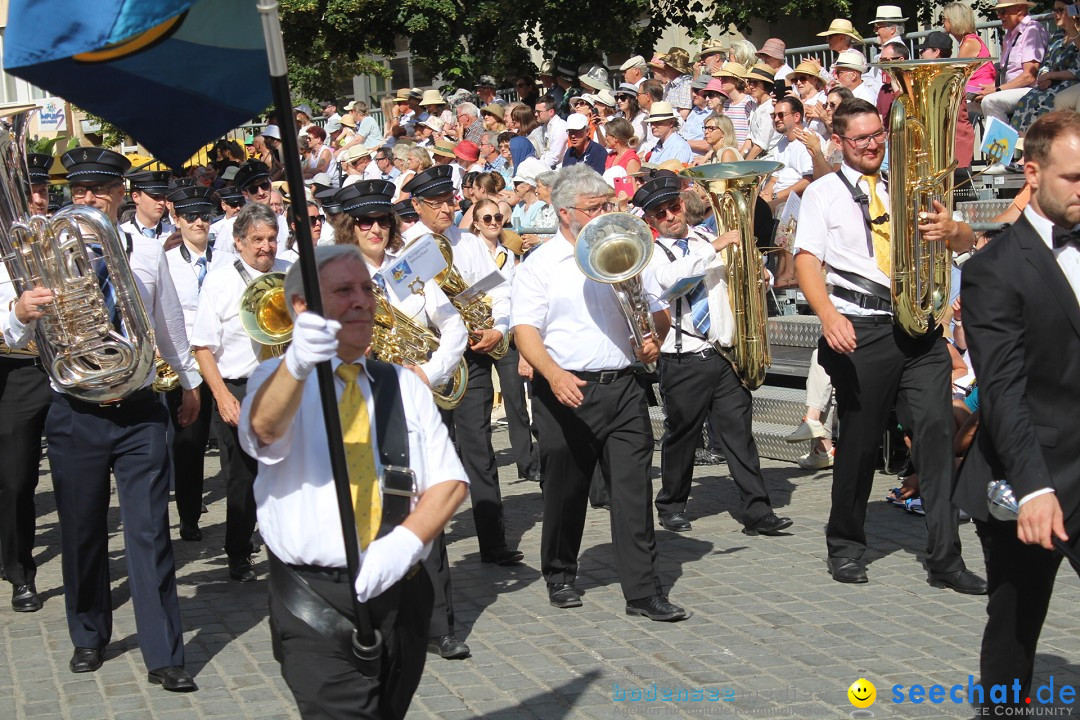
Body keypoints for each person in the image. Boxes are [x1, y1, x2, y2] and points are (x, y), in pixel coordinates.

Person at [239, 243, 468, 720]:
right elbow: (263, 430)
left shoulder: (402, 384)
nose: (362, 300)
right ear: (302, 308)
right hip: (315, 597)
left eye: (366, 287)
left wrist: (404, 544)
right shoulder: (274, 379)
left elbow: (449, 483)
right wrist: (297, 364)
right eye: (343, 290)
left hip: (400, 586)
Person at [3, 147, 202, 689]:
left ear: (121, 193)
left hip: (139, 410)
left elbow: (168, 324)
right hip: (75, 412)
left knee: (148, 532)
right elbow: (14, 334)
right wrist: (21, 313)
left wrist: (188, 382)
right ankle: (88, 635)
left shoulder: (146, 253)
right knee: (83, 531)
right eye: (79, 190)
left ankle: (165, 653)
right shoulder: (39, 256)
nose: (86, 199)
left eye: (99, 190)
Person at [792, 99, 985, 593]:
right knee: (858, 443)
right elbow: (807, 262)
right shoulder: (822, 193)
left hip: (918, 329)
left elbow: (963, 239)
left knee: (937, 437)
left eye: (878, 134)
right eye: (861, 139)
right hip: (861, 326)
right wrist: (829, 316)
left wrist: (952, 231)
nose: (873, 144)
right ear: (839, 143)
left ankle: (946, 559)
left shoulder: (911, 186)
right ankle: (846, 545)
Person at [511, 164, 688, 621]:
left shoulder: (624, 247)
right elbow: (524, 330)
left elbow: (657, 310)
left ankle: (644, 591)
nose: (607, 214)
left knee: (632, 493)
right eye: (595, 208)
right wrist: (551, 373)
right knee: (565, 490)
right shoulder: (541, 265)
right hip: (565, 387)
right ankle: (560, 572)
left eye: (608, 204)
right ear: (565, 213)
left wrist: (656, 338)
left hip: (624, 386)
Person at [953, 109, 1080, 715]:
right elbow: (1002, 390)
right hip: (1031, 475)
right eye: (1074, 178)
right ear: (1031, 172)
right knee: (1015, 623)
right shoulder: (992, 270)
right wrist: (1033, 489)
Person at [402, 164, 519, 658]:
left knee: (477, 447)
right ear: (416, 207)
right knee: (426, 462)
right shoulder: (404, 246)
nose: (447, 209)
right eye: (435, 204)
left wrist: (499, 325)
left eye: (450, 201)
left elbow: (496, 289)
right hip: (421, 362)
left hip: (469, 355)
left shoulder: (468, 241)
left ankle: (492, 540)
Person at [636, 176, 792, 537]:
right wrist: (718, 246)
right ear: (650, 222)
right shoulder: (651, 254)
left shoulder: (705, 238)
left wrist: (760, 274)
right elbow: (670, 281)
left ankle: (758, 511)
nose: (671, 216)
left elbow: (742, 272)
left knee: (739, 434)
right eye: (661, 214)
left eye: (673, 207)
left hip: (724, 352)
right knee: (683, 435)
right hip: (684, 358)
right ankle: (671, 504)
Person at [191, 203, 293, 583]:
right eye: (257, 240)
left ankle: (288, 544)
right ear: (238, 242)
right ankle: (238, 550)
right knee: (243, 475)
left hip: (285, 383)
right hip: (240, 386)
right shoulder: (219, 282)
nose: (266, 247)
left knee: (288, 469)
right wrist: (221, 396)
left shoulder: (290, 272)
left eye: (271, 239)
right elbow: (202, 347)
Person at [0, 152, 53, 613]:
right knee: (16, 481)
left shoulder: (60, 239)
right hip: (14, 372)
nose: (37, 199)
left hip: (66, 369)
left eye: (40, 190)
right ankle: (19, 570)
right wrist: (16, 316)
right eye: (28, 191)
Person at [163, 185, 220, 542]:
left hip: (223, 361)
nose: (199, 222)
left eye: (205, 215)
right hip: (187, 365)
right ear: (177, 220)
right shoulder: (166, 263)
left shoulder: (226, 259)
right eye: (191, 216)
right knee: (190, 444)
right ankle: (188, 516)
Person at [471, 197, 540, 482]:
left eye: (497, 218)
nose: (493, 223)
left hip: (507, 333)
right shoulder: (468, 252)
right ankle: (478, 462)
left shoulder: (509, 254)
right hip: (476, 332)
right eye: (486, 219)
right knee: (479, 402)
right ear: (476, 224)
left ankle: (527, 461)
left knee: (515, 400)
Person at [973, 0, 1050, 133]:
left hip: (1031, 90)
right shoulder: (1010, 34)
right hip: (1013, 89)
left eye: (1003, 11)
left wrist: (997, 90)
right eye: (998, 12)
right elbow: (1009, 73)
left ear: (1020, 10)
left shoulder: (1032, 30)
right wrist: (990, 88)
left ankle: (1001, 152)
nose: (999, 16)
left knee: (991, 102)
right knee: (968, 104)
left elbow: (1029, 76)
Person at [1010, 1, 1080, 134]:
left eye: (1060, 10)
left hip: (1070, 83)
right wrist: (1044, 77)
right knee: (1026, 100)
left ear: (1072, 11)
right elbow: (1046, 62)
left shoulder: (1078, 36)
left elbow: (1077, 70)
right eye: (1054, 10)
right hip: (1052, 84)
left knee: (1044, 101)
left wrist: (1051, 76)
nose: (1056, 14)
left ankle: (1041, 143)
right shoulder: (1058, 36)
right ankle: (1020, 145)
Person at [120, 170, 175, 241]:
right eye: (155, 197)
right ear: (136, 197)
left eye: (164, 197)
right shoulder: (121, 234)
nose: (162, 202)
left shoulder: (172, 233)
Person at [535, 94, 568, 169]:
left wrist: (537, 168)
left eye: (538, 112)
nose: (536, 114)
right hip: (548, 165)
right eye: (535, 111)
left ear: (551, 112)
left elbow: (554, 156)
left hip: (560, 169)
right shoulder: (545, 126)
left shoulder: (560, 127)